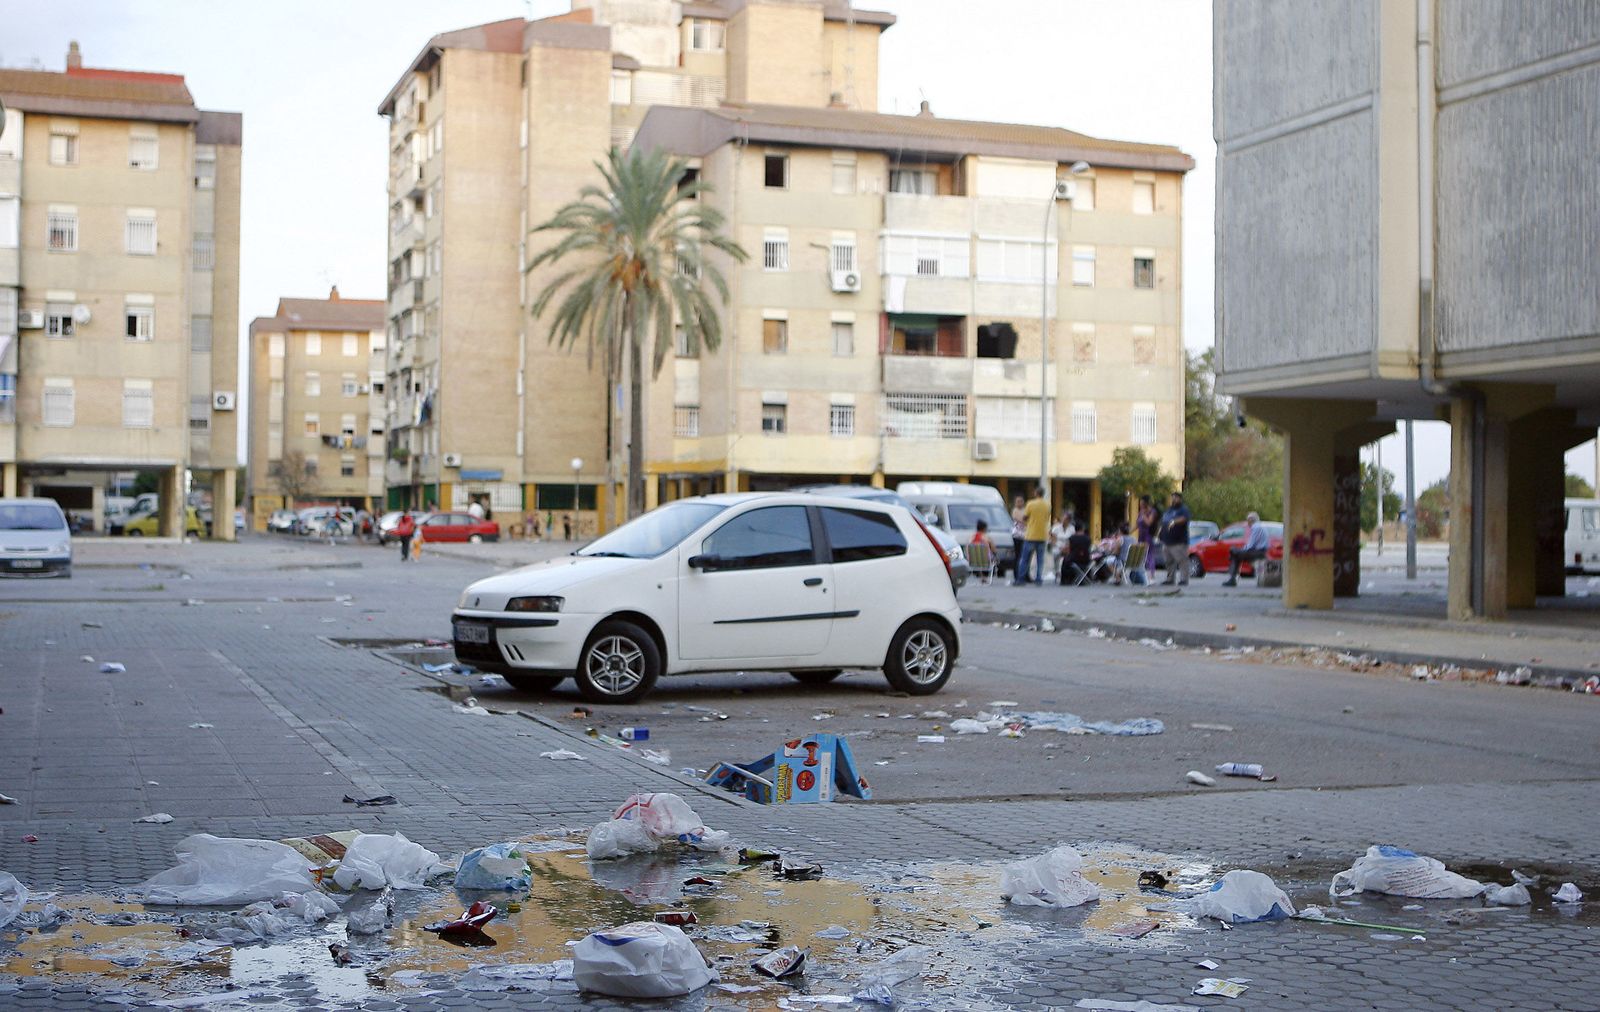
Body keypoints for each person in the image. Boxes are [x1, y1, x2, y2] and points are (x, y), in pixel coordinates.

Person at [1013, 485, 1051, 586]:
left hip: (1031, 535)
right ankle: (1038, 579)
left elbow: (1025, 517)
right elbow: (1047, 518)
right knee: (1040, 560)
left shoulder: (1030, 504)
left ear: (1036, 493)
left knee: (1024, 559)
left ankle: (1021, 579)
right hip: (1042, 535)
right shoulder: (1047, 505)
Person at [1222, 511, 1270, 586]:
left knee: (1233, 551)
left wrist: (1240, 550)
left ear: (1251, 520)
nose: (1247, 523)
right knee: (1235, 553)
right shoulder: (1260, 526)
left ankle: (1232, 579)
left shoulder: (1256, 527)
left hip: (1258, 552)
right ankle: (1232, 579)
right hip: (1261, 551)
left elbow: (1250, 545)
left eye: (1248, 521)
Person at [1158, 491, 1192, 585]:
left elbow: (1184, 518)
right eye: (1172, 497)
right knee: (1168, 561)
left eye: (1176, 497)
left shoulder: (1183, 509)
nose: (1174, 499)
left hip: (1179, 541)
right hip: (1167, 541)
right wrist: (1160, 532)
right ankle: (1170, 579)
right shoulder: (1168, 510)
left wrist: (1174, 522)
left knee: (1182, 560)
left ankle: (1184, 579)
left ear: (1180, 499)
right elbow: (1163, 521)